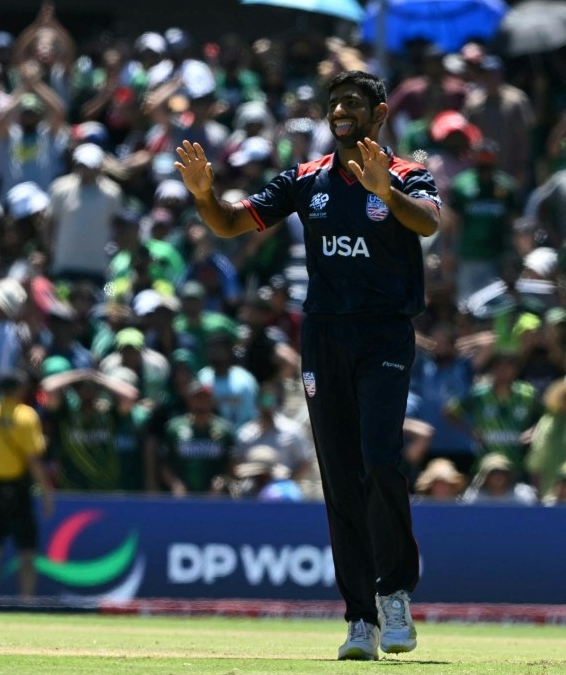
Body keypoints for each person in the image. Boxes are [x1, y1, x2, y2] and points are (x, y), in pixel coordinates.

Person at [174, 70, 440, 661]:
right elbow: (229, 222)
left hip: (384, 332)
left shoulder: (406, 173)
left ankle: (394, 592)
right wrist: (203, 195)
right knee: (339, 478)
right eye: (334, 102)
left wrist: (385, 192)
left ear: (379, 113)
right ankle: (360, 619)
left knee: (379, 460)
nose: (340, 110)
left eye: (352, 102)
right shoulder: (304, 178)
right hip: (324, 336)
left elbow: (427, 222)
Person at [0, 371, 52, 598]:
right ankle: (26, 601)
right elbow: (33, 460)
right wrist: (46, 493)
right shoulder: (26, 416)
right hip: (18, 490)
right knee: (27, 551)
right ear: (19, 389)